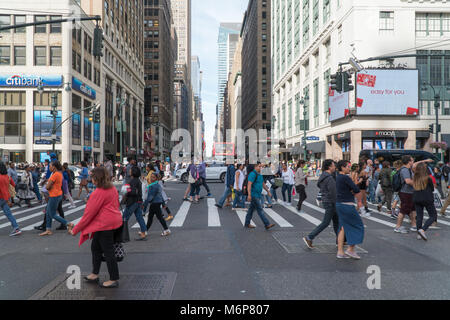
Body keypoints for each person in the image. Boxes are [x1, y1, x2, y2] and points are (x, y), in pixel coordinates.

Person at [70, 167, 123, 288]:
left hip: (104, 224)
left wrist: (75, 230)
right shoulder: (112, 188)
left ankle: (114, 278)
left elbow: (88, 215)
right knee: (96, 247)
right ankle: (95, 273)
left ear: (97, 179)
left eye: (92, 177)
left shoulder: (98, 193)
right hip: (113, 222)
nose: (90, 180)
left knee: (108, 251)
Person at [303, 160, 338, 249]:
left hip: (327, 200)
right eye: (333, 165)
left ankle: (340, 240)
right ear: (329, 167)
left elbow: (319, 185)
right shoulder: (329, 178)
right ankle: (309, 237)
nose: (335, 167)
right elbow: (333, 192)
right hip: (331, 202)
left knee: (337, 222)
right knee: (326, 222)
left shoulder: (323, 176)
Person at [335, 160, 364, 260]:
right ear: (342, 168)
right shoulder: (345, 177)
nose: (349, 168)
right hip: (347, 205)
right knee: (358, 225)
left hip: (339, 204)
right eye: (347, 166)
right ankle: (350, 249)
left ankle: (340, 251)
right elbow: (356, 189)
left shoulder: (338, 177)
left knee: (343, 228)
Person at [39, 161, 74, 236]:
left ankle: (68, 224)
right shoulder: (59, 174)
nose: (49, 167)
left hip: (54, 195)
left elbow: (48, 187)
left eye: (50, 166)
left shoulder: (55, 175)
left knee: (52, 214)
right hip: (57, 195)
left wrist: (48, 185)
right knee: (48, 213)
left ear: (54, 167)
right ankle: (48, 229)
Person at [244, 163, 275, 230]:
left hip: (258, 194)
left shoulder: (260, 174)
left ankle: (247, 223)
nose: (261, 168)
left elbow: (263, 184)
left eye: (261, 166)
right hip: (254, 195)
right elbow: (249, 185)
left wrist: (268, 191)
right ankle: (267, 224)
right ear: (255, 167)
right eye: (259, 166)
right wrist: (249, 195)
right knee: (260, 209)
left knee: (251, 210)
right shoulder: (252, 174)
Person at [413, 163, 438, 241]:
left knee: (419, 216)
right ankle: (423, 230)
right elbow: (432, 189)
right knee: (433, 215)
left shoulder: (415, 177)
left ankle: (419, 234)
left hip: (416, 198)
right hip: (427, 198)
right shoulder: (428, 178)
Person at [123, 166, 147, 241]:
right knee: (139, 217)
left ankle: (122, 234)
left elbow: (133, 192)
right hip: (138, 201)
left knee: (124, 218)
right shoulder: (138, 180)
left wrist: (126, 190)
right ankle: (143, 233)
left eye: (131, 170)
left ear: (133, 172)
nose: (129, 171)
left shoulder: (132, 181)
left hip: (132, 202)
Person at [0, 162, 21, 236]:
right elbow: (13, 184)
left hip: (2, 198)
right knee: (9, 214)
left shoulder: (0, 178)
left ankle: (16, 228)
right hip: (6, 197)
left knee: (8, 214)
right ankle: (16, 228)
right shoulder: (7, 176)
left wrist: (7, 201)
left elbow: (3, 190)